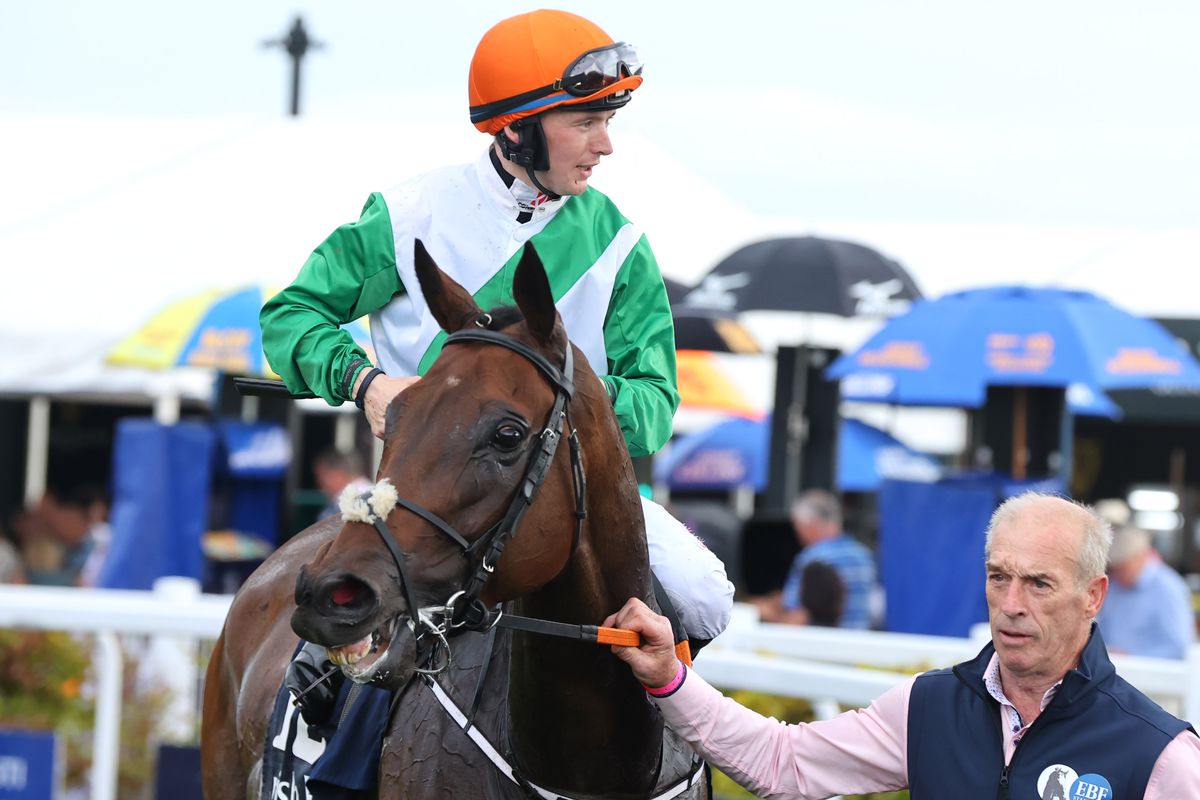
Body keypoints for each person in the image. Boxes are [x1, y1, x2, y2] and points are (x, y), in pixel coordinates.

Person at [261, 6, 732, 708]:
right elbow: (290, 316)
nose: (606, 145)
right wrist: (364, 382)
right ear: (516, 126)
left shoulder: (620, 245)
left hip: (572, 498)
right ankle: (315, 750)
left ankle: (667, 741)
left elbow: (655, 403)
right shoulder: (407, 214)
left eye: (609, 120)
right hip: (424, 495)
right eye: (585, 122)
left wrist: (566, 415)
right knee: (348, 630)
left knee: (704, 595)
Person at [606, 492, 1200, 798]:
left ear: (1093, 596)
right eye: (999, 576)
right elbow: (781, 762)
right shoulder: (932, 706)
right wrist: (668, 679)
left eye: (1039, 583)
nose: (1012, 603)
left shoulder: (1159, 753)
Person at [756, 490, 877, 629]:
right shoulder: (864, 556)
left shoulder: (812, 558)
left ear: (811, 523)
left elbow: (797, 614)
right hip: (858, 643)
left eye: (797, 527)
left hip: (820, 643)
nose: (797, 535)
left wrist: (763, 613)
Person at [1098, 525, 1195, 659]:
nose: (1117, 573)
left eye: (1123, 566)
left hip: (1153, 676)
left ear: (1141, 556)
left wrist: (1132, 656)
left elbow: (1178, 647)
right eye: (1114, 568)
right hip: (1112, 669)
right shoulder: (1114, 585)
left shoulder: (1168, 588)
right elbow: (1101, 627)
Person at [311, 447, 373, 521]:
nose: (319, 482)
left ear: (336, 474)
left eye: (321, 476)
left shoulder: (359, 500)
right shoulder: (366, 494)